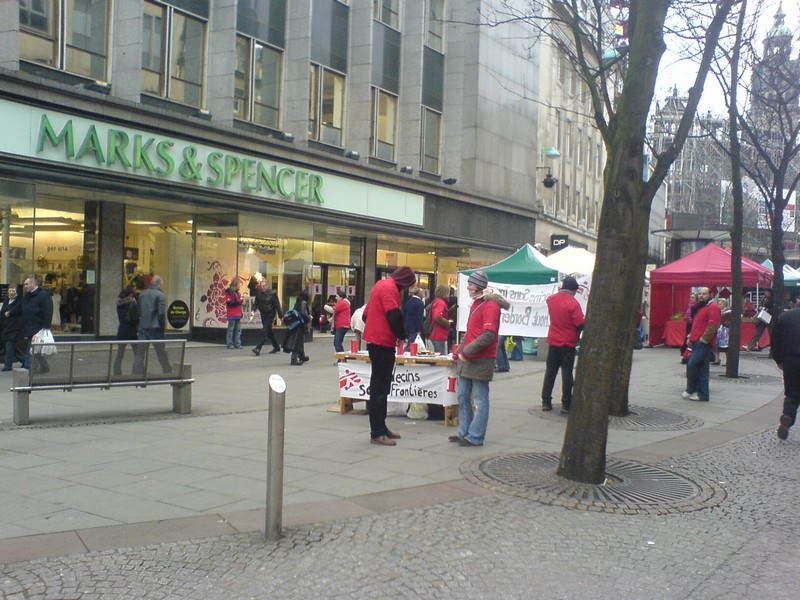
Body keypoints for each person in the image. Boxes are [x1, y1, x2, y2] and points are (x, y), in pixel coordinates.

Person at [448, 271, 509, 447]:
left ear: (480, 286)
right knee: (463, 396)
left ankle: (475, 436)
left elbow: (488, 335)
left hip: (481, 359)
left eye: (471, 284)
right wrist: (458, 351)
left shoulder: (490, 306)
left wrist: (465, 352)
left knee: (480, 400)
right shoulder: (476, 303)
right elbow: (470, 333)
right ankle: (464, 432)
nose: (468, 287)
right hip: (469, 358)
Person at [362, 266, 417, 446]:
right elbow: (393, 315)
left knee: (382, 386)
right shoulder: (389, 288)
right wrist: (401, 334)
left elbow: (365, 315)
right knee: (379, 388)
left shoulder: (381, 284)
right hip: (381, 343)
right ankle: (376, 432)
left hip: (377, 341)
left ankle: (381, 427)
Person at [541, 275, 585, 414]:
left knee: (550, 372)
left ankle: (546, 401)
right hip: (568, 342)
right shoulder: (573, 303)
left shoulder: (551, 300)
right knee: (566, 373)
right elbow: (579, 323)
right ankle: (566, 403)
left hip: (553, 340)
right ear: (573, 290)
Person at [682, 286, 721, 402]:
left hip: (703, 343)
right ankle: (703, 394)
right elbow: (697, 325)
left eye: (704, 294)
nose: (701, 296)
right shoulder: (702, 307)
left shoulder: (713, 307)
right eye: (700, 294)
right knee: (702, 370)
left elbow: (712, 326)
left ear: (710, 295)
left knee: (692, 365)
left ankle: (692, 388)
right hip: (697, 342)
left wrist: (703, 340)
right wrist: (690, 337)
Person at [770, 304, 800, 440]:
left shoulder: (785, 317)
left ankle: (787, 416)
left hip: (790, 360)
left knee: (791, 393)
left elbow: (775, 340)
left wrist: (779, 359)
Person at [133, 275, 172, 374]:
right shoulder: (160, 295)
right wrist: (162, 326)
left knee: (140, 353)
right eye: (162, 283)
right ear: (159, 283)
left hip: (143, 327)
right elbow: (161, 313)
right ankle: (167, 371)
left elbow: (138, 311)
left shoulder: (142, 294)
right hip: (156, 328)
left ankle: (136, 373)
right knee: (161, 352)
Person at [21, 274, 54, 373]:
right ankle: (44, 366)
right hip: (28, 326)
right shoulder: (26, 296)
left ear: (32, 284)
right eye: (24, 284)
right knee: (36, 349)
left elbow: (48, 310)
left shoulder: (43, 295)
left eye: (26, 284)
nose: (25, 286)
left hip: (38, 327)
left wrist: (46, 327)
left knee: (31, 348)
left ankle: (27, 367)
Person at [252, 281, 283, 356]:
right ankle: (276, 346)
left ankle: (258, 348)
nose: (262, 288)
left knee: (264, 330)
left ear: (267, 286)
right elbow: (256, 302)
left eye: (263, 286)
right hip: (263, 313)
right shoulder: (259, 293)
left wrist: (280, 316)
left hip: (270, 314)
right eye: (261, 286)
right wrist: (253, 310)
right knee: (269, 331)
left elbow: (277, 305)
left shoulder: (272, 293)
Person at [113, 287, 139, 375]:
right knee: (137, 353)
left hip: (121, 330)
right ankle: (139, 371)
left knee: (120, 354)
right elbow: (135, 319)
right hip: (131, 331)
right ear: (131, 295)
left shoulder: (119, 305)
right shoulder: (133, 304)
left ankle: (116, 371)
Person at [283, 290, 310, 365]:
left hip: (295, 323)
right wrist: (309, 318)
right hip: (300, 324)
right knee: (297, 341)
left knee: (299, 341)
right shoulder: (304, 302)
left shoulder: (298, 301)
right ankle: (294, 359)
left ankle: (302, 356)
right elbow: (304, 313)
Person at [1, 285, 24, 371]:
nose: (11, 292)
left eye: (13, 290)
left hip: (15, 327)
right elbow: (2, 312)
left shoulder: (19, 300)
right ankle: (24, 360)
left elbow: (18, 309)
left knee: (9, 346)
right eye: (10, 290)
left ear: (16, 291)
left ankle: (7, 365)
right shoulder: (6, 300)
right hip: (6, 328)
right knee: (11, 348)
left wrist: (10, 312)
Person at [428, 285, 452, 355]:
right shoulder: (441, 303)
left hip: (436, 333)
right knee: (441, 357)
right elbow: (437, 317)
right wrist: (448, 323)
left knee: (438, 356)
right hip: (439, 334)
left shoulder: (437, 301)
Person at [326, 289, 351, 354]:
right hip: (342, 325)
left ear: (341, 297)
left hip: (342, 325)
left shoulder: (343, 303)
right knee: (338, 342)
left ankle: (341, 358)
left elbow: (333, 310)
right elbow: (335, 314)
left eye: (337, 296)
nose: (335, 298)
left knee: (337, 342)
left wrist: (325, 306)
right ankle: (341, 358)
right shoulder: (344, 303)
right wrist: (329, 321)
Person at [225, 279, 244, 349]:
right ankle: (230, 344)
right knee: (231, 329)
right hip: (232, 314)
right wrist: (238, 301)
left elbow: (240, 300)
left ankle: (237, 343)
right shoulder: (229, 292)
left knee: (238, 330)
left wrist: (238, 301)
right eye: (239, 285)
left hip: (237, 314)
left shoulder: (237, 293)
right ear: (235, 285)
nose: (239, 286)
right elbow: (229, 302)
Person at [680, 292, 698, 364]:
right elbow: (687, 314)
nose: (691, 299)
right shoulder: (689, 305)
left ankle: (688, 356)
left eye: (693, 297)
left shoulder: (696, 306)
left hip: (693, 323)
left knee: (690, 339)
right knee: (687, 338)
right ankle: (685, 354)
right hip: (689, 323)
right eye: (690, 297)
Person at [713, 298, 730, 365]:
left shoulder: (728, 312)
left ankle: (728, 361)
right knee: (716, 346)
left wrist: (725, 323)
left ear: (724, 304)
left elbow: (730, 322)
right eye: (718, 304)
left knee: (726, 347)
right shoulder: (717, 311)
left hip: (725, 331)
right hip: (718, 330)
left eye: (720, 304)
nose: (719, 305)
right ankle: (717, 359)